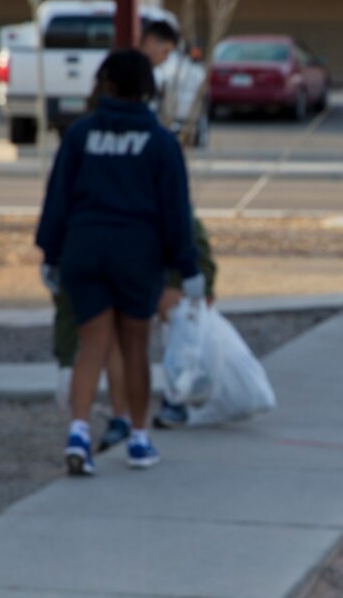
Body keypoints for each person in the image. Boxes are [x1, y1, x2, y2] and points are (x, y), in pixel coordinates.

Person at [36, 49, 204, 476]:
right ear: (147, 88)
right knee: (134, 346)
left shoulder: (80, 135)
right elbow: (176, 212)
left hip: (84, 248)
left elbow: (58, 198)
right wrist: (188, 268)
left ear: (105, 83)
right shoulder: (160, 142)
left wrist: (50, 252)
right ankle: (139, 437)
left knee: (91, 344)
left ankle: (78, 432)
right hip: (137, 253)